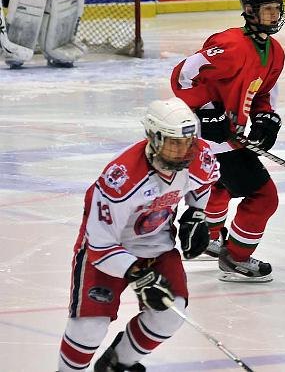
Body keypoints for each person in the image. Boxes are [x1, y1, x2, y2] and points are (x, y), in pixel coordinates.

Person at [56, 98, 219, 372]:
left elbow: (203, 184)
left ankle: (117, 364)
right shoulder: (121, 180)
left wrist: (196, 214)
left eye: (187, 142)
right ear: (153, 138)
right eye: (173, 142)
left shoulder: (198, 156)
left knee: (170, 314)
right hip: (110, 252)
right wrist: (137, 273)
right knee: (89, 328)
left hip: (157, 245)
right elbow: (99, 244)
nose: (183, 150)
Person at [171, 0, 285, 282]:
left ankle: (208, 236)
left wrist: (264, 119)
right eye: (268, 9)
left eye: (277, 8)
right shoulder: (231, 46)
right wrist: (208, 113)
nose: (275, 15)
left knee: (220, 185)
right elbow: (182, 76)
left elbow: (262, 93)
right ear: (249, 11)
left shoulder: (274, 52)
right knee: (264, 197)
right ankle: (236, 257)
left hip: (228, 136)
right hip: (205, 138)